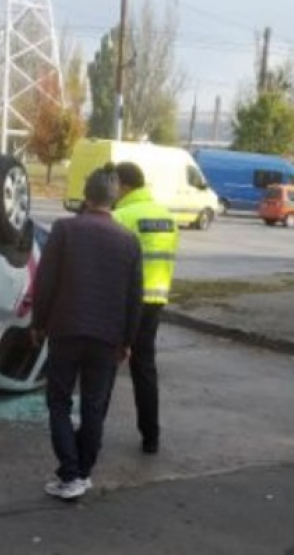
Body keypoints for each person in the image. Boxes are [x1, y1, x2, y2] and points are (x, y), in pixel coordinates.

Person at [32, 164, 143, 501]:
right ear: (114, 199)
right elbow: (133, 297)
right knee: (94, 406)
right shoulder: (129, 241)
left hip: (65, 330)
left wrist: (38, 324)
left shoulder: (65, 230)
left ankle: (70, 473)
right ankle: (82, 471)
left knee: (59, 402)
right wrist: (128, 340)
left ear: (86, 195)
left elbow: (45, 282)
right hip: (107, 337)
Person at [113, 161, 179, 455]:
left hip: (125, 303)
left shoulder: (121, 216)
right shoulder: (167, 218)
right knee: (145, 369)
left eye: (115, 184)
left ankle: (90, 434)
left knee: (104, 368)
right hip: (155, 302)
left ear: (124, 185)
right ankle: (151, 437)